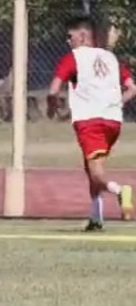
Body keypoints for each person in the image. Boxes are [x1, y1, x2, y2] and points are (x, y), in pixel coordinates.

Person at [47, 15, 136, 231]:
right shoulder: (111, 58)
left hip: (90, 121)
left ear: (83, 35)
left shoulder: (74, 58)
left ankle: (120, 190)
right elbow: (132, 88)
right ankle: (96, 218)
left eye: (71, 36)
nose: (68, 41)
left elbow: (53, 89)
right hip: (113, 121)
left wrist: (52, 107)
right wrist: (116, 104)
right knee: (92, 167)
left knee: (96, 172)